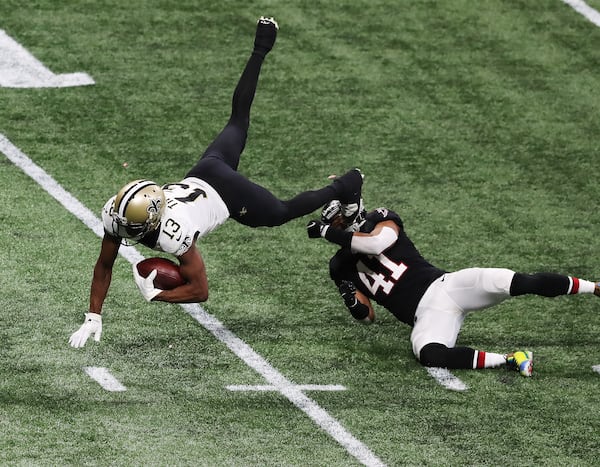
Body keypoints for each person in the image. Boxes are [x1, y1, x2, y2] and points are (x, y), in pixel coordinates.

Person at [69, 17, 363, 348]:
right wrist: (93, 315)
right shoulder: (119, 214)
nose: (126, 231)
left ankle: (345, 185)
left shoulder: (172, 234)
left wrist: (157, 295)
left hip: (226, 194)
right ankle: (261, 47)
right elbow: (104, 263)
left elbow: (200, 290)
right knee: (238, 119)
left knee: (281, 211)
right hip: (206, 170)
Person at [306, 199, 600, 376]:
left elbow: (376, 244)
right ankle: (511, 359)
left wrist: (326, 233)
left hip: (447, 286)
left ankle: (594, 288)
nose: (341, 226)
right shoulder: (339, 265)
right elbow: (368, 316)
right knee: (429, 354)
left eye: (340, 222)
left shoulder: (379, 220)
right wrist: (354, 304)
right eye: (335, 224)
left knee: (518, 281)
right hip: (426, 315)